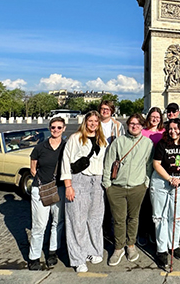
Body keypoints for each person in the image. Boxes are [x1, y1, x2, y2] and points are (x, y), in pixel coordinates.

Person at [103, 113, 154, 266]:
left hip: (137, 187)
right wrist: (107, 184)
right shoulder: (119, 142)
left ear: (142, 126)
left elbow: (149, 165)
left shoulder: (147, 143)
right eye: (132, 123)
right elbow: (109, 161)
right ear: (127, 125)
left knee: (133, 218)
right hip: (116, 187)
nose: (134, 126)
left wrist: (146, 182)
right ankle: (118, 247)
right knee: (118, 220)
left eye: (138, 124)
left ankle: (131, 245)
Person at [61, 110, 107, 273]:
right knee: (77, 221)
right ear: (85, 122)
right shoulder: (75, 138)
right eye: (90, 121)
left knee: (95, 219)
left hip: (97, 181)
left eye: (96, 121)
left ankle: (93, 251)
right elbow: (66, 161)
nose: (93, 123)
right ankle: (78, 259)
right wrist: (68, 185)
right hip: (79, 180)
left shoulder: (102, 141)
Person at [150, 118, 180, 270]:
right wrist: (170, 178)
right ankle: (161, 248)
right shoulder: (162, 144)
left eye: (176, 128)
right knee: (160, 216)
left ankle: (174, 245)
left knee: (177, 216)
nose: (173, 131)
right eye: (170, 128)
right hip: (162, 181)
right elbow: (156, 164)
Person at [28, 117, 66, 270]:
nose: (55, 130)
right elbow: (33, 167)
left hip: (60, 188)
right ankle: (34, 256)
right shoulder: (40, 147)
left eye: (59, 127)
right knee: (39, 225)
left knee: (58, 222)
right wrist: (41, 183)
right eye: (53, 127)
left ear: (64, 129)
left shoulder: (67, 146)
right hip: (41, 189)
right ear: (49, 128)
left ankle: (52, 251)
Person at [137, 107, 166, 247]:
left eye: (158, 117)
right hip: (143, 171)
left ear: (161, 119)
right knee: (144, 204)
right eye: (153, 116)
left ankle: (154, 232)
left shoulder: (164, 132)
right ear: (148, 117)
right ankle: (142, 232)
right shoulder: (142, 132)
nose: (155, 119)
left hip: (159, 172)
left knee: (157, 205)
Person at [98, 100, 124, 241]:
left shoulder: (118, 125)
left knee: (111, 200)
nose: (105, 111)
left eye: (108, 109)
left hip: (112, 166)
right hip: (96, 165)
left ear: (112, 111)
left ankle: (109, 229)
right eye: (103, 108)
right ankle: (100, 229)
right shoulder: (94, 122)